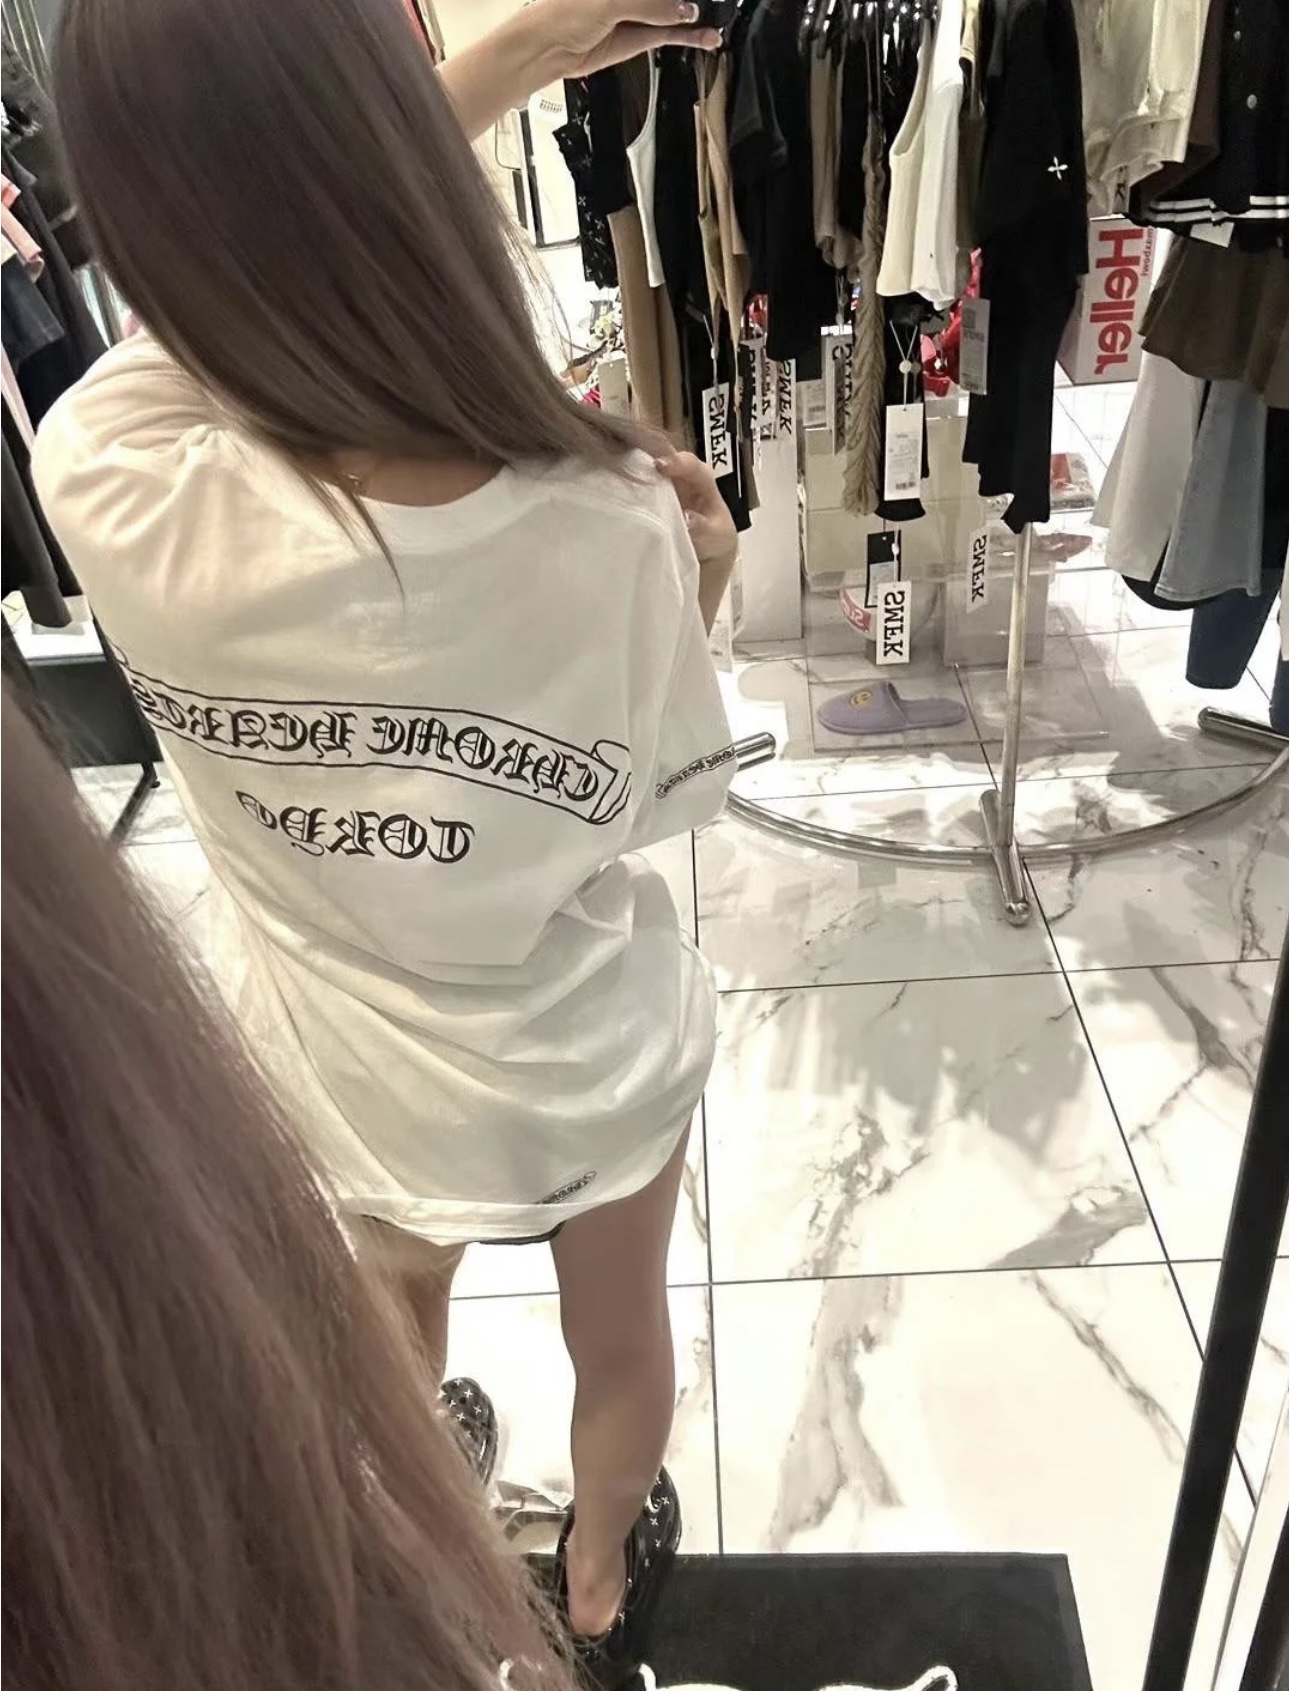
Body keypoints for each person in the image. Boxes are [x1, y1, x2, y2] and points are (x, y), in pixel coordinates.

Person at [32, 0, 737, 1677]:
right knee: (621, 1340)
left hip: (340, 1056)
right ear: (413, 185)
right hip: (579, 1056)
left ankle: (440, 1562)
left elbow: (197, 321)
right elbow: (641, 800)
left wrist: (483, 72)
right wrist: (697, 582)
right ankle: (594, 1585)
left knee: (388, 1352)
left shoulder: (111, 477)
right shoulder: (608, 522)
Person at [1, 691, 579, 1691]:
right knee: (601, 1321)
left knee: (396, 1290)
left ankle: (441, 1476)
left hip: (324, 1022)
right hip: (541, 1024)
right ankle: (600, 1573)